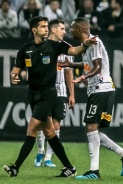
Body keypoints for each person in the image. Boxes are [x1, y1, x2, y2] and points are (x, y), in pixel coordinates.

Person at [3, 16, 96, 178]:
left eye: (47, 26)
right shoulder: (25, 49)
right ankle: (69, 167)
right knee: (49, 132)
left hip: (48, 93)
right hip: (32, 93)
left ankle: (15, 167)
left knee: (31, 129)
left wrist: (84, 45)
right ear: (34, 30)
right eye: (43, 26)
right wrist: (13, 76)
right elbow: (15, 70)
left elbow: (74, 51)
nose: (46, 29)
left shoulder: (55, 45)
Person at [58, 17, 123, 179]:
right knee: (92, 129)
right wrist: (71, 65)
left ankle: (94, 171)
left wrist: (82, 77)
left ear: (80, 29)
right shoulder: (86, 46)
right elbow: (88, 64)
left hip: (101, 88)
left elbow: (98, 68)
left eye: (72, 28)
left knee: (91, 127)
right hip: (98, 90)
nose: (70, 30)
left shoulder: (94, 42)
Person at [33, 19, 75, 168]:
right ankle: (40, 151)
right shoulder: (42, 47)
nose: (65, 32)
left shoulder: (66, 49)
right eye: (62, 29)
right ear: (54, 30)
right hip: (44, 90)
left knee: (56, 123)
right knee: (41, 123)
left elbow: (69, 73)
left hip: (61, 90)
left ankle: (48, 157)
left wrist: (72, 94)